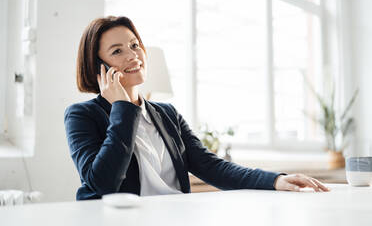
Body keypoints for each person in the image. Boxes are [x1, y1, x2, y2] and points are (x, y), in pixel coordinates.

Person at [64, 16, 330, 200]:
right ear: (98, 67)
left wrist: (274, 181)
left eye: (135, 45)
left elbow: (211, 166)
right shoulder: (82, 116)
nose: (133, 55)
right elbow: (102, 184)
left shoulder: (166, 114)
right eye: (117, 51)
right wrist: (121, 107)